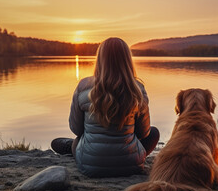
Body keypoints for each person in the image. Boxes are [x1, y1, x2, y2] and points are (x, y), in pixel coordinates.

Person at [51, 37, 159, 177]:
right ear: (127, 60)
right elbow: (144, 133)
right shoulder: (137, 89)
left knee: (73, 140)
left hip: (89, 164)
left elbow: (76, 129)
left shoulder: (83, 86)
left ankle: (74, 148)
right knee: (154, 133)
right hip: (131, 165)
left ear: (100, 59)